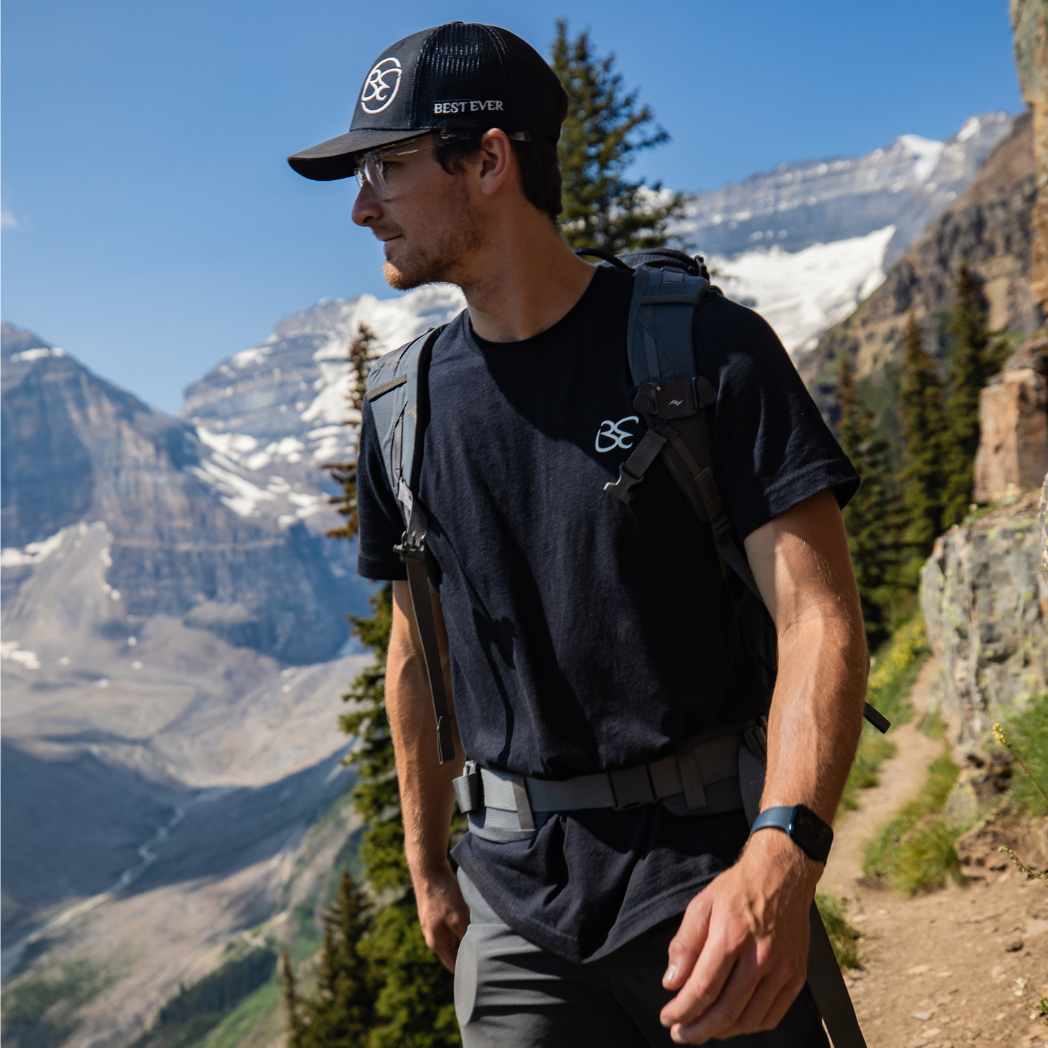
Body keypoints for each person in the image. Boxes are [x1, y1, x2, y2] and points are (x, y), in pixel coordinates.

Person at [288, 21, 869, 1047]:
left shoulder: (703, 351)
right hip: (513, 915)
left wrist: (781, 855)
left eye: (386, 164)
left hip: (712, 895)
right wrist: (430, 872)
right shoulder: (400, 412)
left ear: (490, 161)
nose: (360, 204)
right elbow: (415, 656)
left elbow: (817, 617)